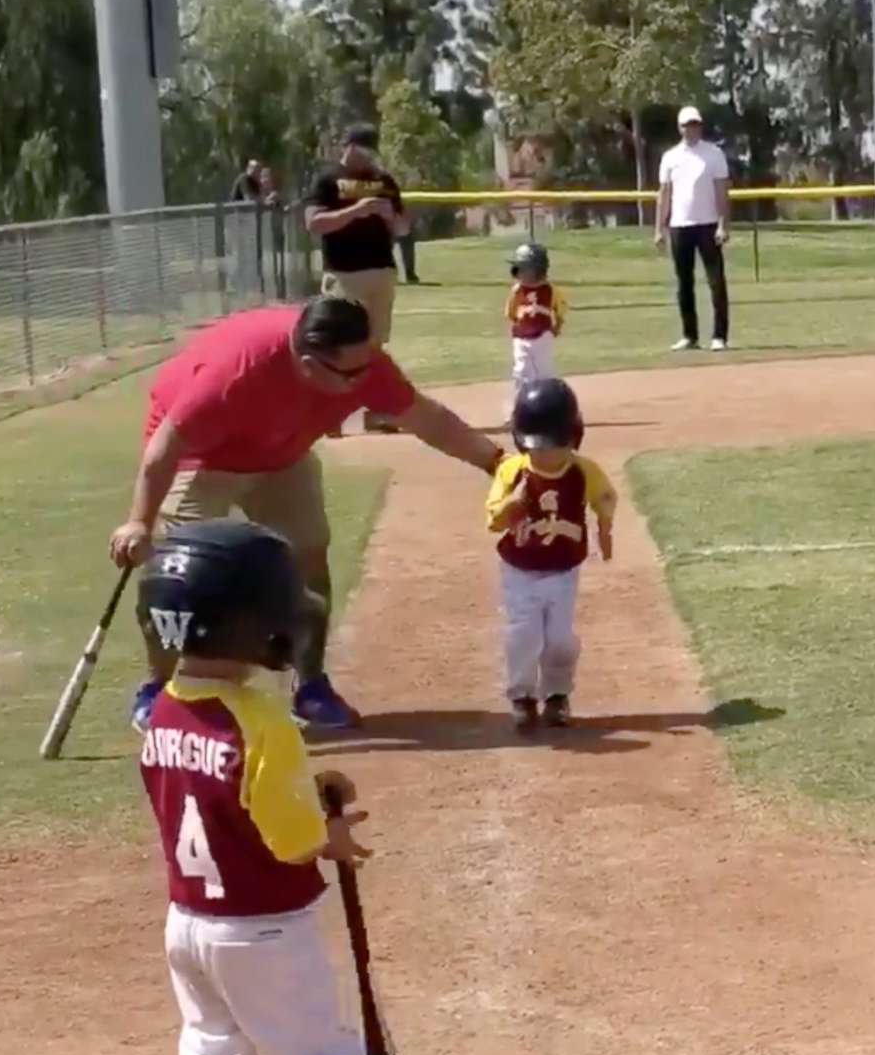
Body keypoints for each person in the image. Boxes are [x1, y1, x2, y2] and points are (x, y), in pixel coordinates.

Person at [137, 519, 486, 1055]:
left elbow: (209, 797)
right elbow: (289, 839)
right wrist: (328, 835)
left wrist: (305, 794)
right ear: (249, 622)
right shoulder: (263, 721)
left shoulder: (162, 709)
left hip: (190, 928)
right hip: (264, 933)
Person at [109, 296, 503, 732]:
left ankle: (310, 686)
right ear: (309, 364)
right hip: (201, 458)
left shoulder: (363, 367)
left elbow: (428, 419)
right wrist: (139, 522)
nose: (365, 379)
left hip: (282, 454)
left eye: (369, 362)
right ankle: (158, 689)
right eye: (352, 373)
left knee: (310, 554)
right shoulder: (236, 374)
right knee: (181, 575)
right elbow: (164, 449)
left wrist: (496, 462)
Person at [486, 380, 616, 733]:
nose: (545, 455)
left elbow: (604, 495)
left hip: (563, 571)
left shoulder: (582, 470)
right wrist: (507, 508)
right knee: (524, 634)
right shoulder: (513, 471)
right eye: (537, 447)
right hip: (520, 569)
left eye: (555, 446)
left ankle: (557, 694)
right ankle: (522, 696)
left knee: (559, 638)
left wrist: (605, 526)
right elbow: (492, 518)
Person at [306, 124, 407, 432]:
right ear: (347, 146)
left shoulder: (383, 180)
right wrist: (356, 211)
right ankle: (329, 416)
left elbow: (404, 228)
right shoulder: (328, 179)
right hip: (343, 274)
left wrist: (390, 216)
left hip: (381, 270)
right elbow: (313, 223)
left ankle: (376, 413)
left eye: (371, 150)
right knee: (335, 346)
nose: (367, 157)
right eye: (362, 149)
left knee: (374, 347)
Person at [655, 106, 731, 352]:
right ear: (680, 128)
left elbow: (722, 191)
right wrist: (659, 228)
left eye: (696, 124)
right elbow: (664, 194)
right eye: (687, 125)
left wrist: (723, 223)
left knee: (716, 281)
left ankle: (719, 336)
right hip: (680, 226)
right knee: (683, 283)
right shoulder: (670, 157)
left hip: (708, 225)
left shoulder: (714, 154)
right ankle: (690, 335)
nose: (692, 129)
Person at [505, 242, 566, 396]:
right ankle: (519, 407)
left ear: (537, 269)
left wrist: (557, 327)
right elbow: (510, 312)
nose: (519, 273)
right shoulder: (517, 290)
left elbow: (560, 310)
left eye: (523, 268)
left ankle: (549, 405)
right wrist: (515, 326)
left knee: (544, 372)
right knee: (521, 371)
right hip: (521, 338)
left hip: (543, 336)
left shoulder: (550, 290)